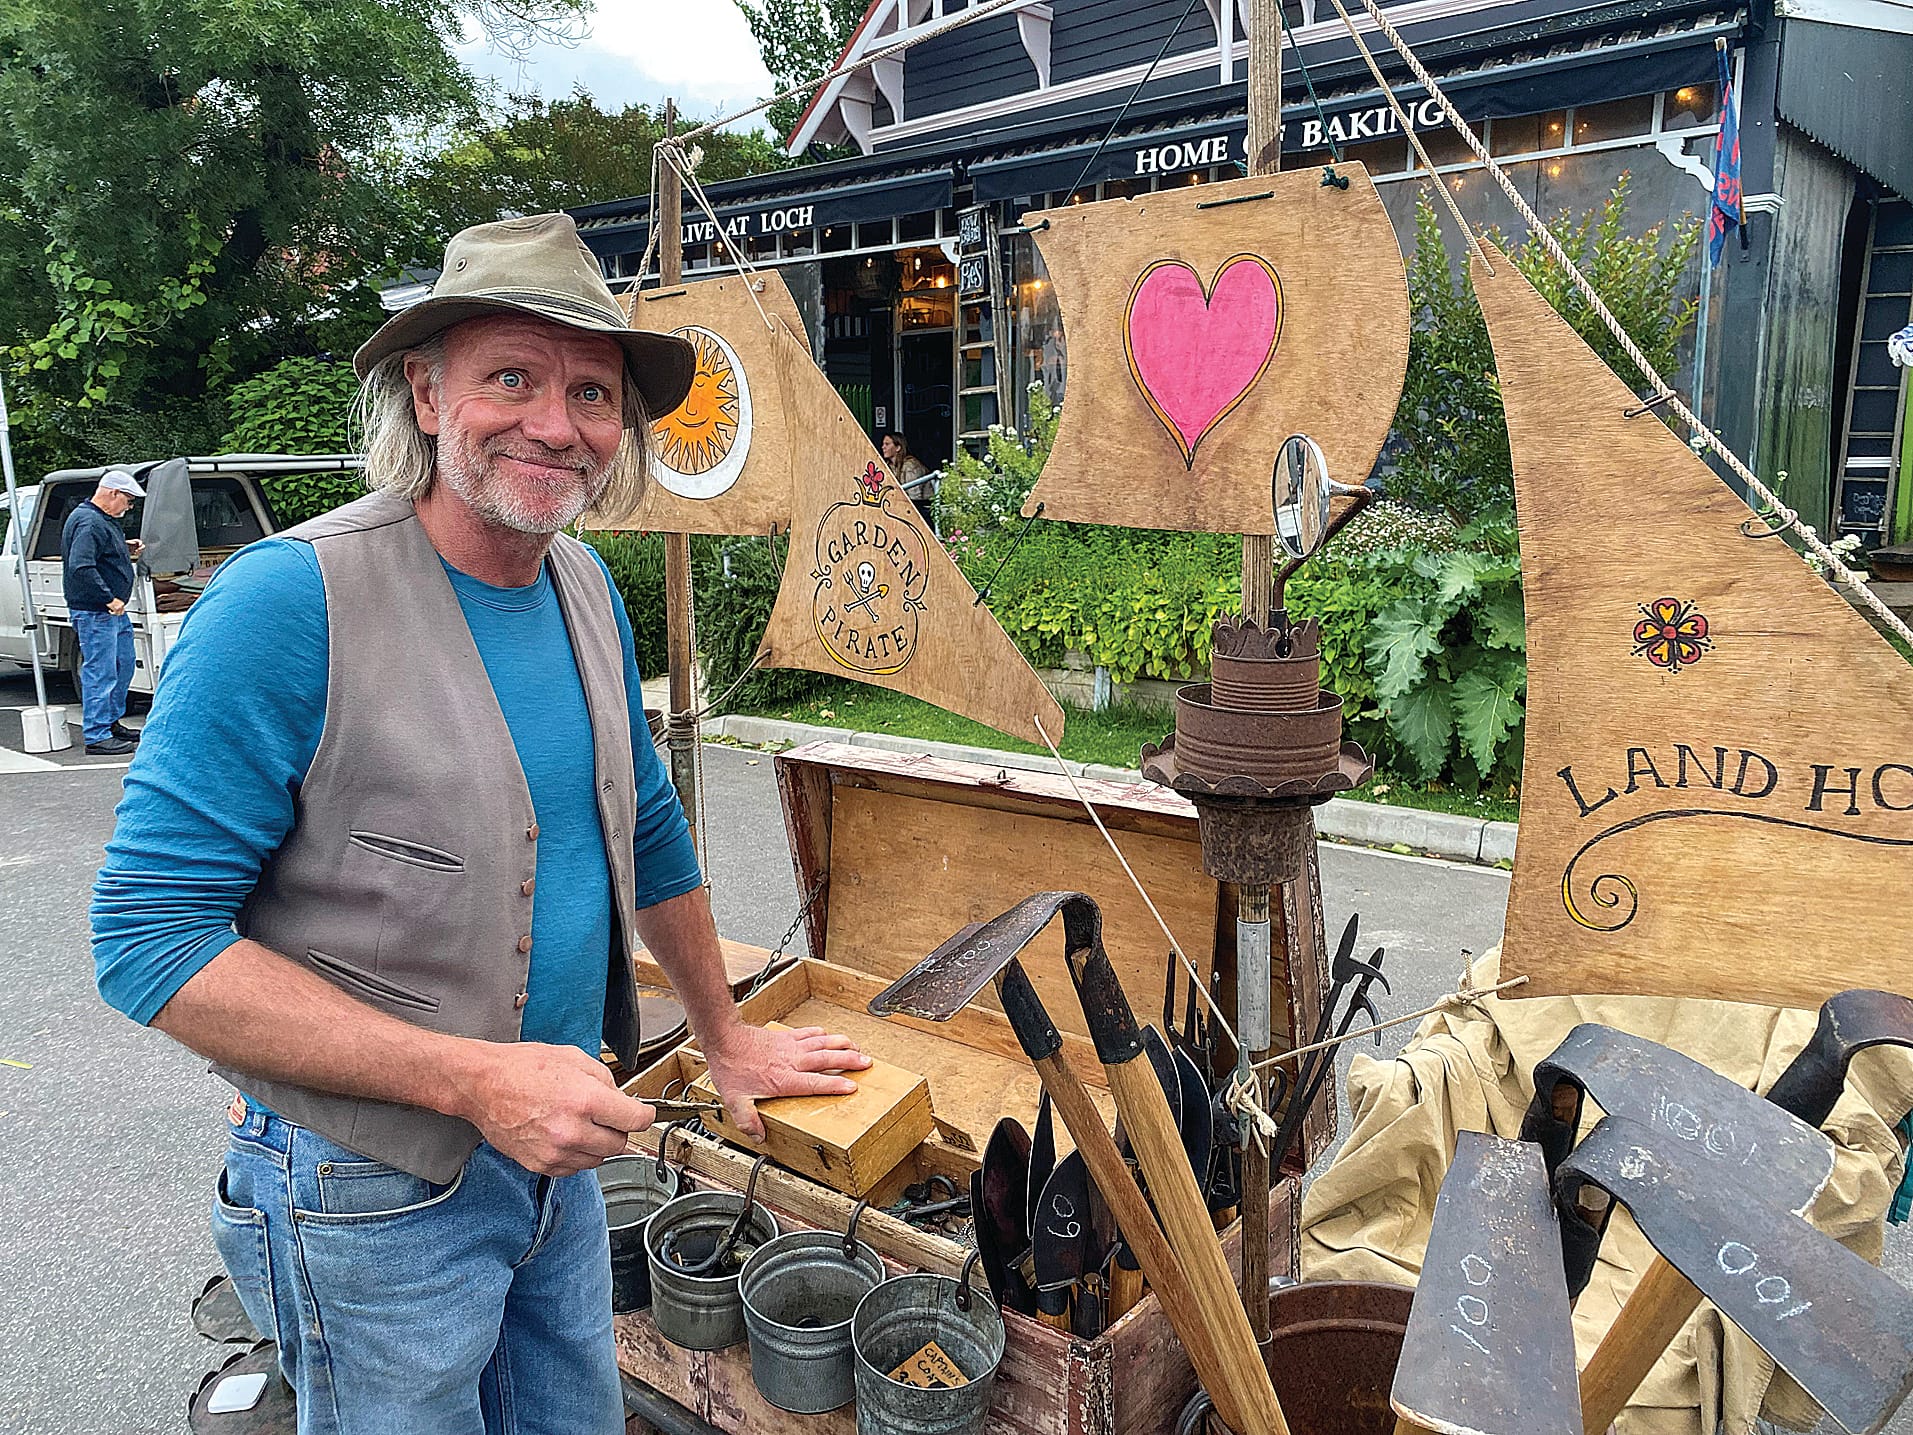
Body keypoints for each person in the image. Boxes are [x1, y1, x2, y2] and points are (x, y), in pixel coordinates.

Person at [91, 213, 872, 1435]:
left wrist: (724, 1038)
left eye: (592, 392)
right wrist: (471, 1080)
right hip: (365, 1192)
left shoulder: (583, 584)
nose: (556, 425)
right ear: (424, 387)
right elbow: (147, 941)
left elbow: (646, 827)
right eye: (511, 376)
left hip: (555, 1159)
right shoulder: (289, 603)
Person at [61, 468, 146, 754]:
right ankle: (97, 735)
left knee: (122, 663)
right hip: (98, 611)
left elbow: (97, 553)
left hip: (109, 612)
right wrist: (109, 599)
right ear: (113, 493)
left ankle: (110, 722)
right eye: (129, 500)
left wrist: (123, 547)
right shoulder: (90, 522)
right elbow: (81, 566)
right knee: (102, 671)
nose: (129, 506)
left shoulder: (98, 519)